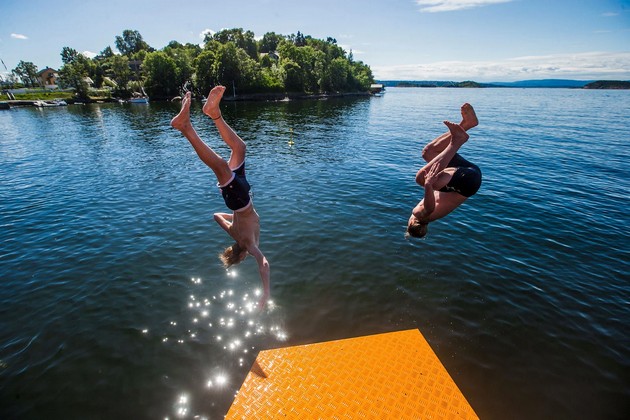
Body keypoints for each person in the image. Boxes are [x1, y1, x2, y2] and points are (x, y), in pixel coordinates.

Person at [171, 86, 270, 309]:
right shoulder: (234, 232)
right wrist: (234, 218)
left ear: (241, 256)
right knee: (239, 147)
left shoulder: (248, 244)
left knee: (220, 166)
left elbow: (264, 263)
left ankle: (185, 127)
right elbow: (217, 215)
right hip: (240, 198)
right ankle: (213, 112)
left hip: (240, 198)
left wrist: (266, 293)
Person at [407, 103, 482, 238]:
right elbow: (429, 208)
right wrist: (429, 185)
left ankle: (467, 124)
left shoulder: (432, 217)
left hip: (469, 174)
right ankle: (457, 141)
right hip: (467, 181)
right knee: (422, 179)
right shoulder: (420, 215)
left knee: (429, 152)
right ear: (411, 222)